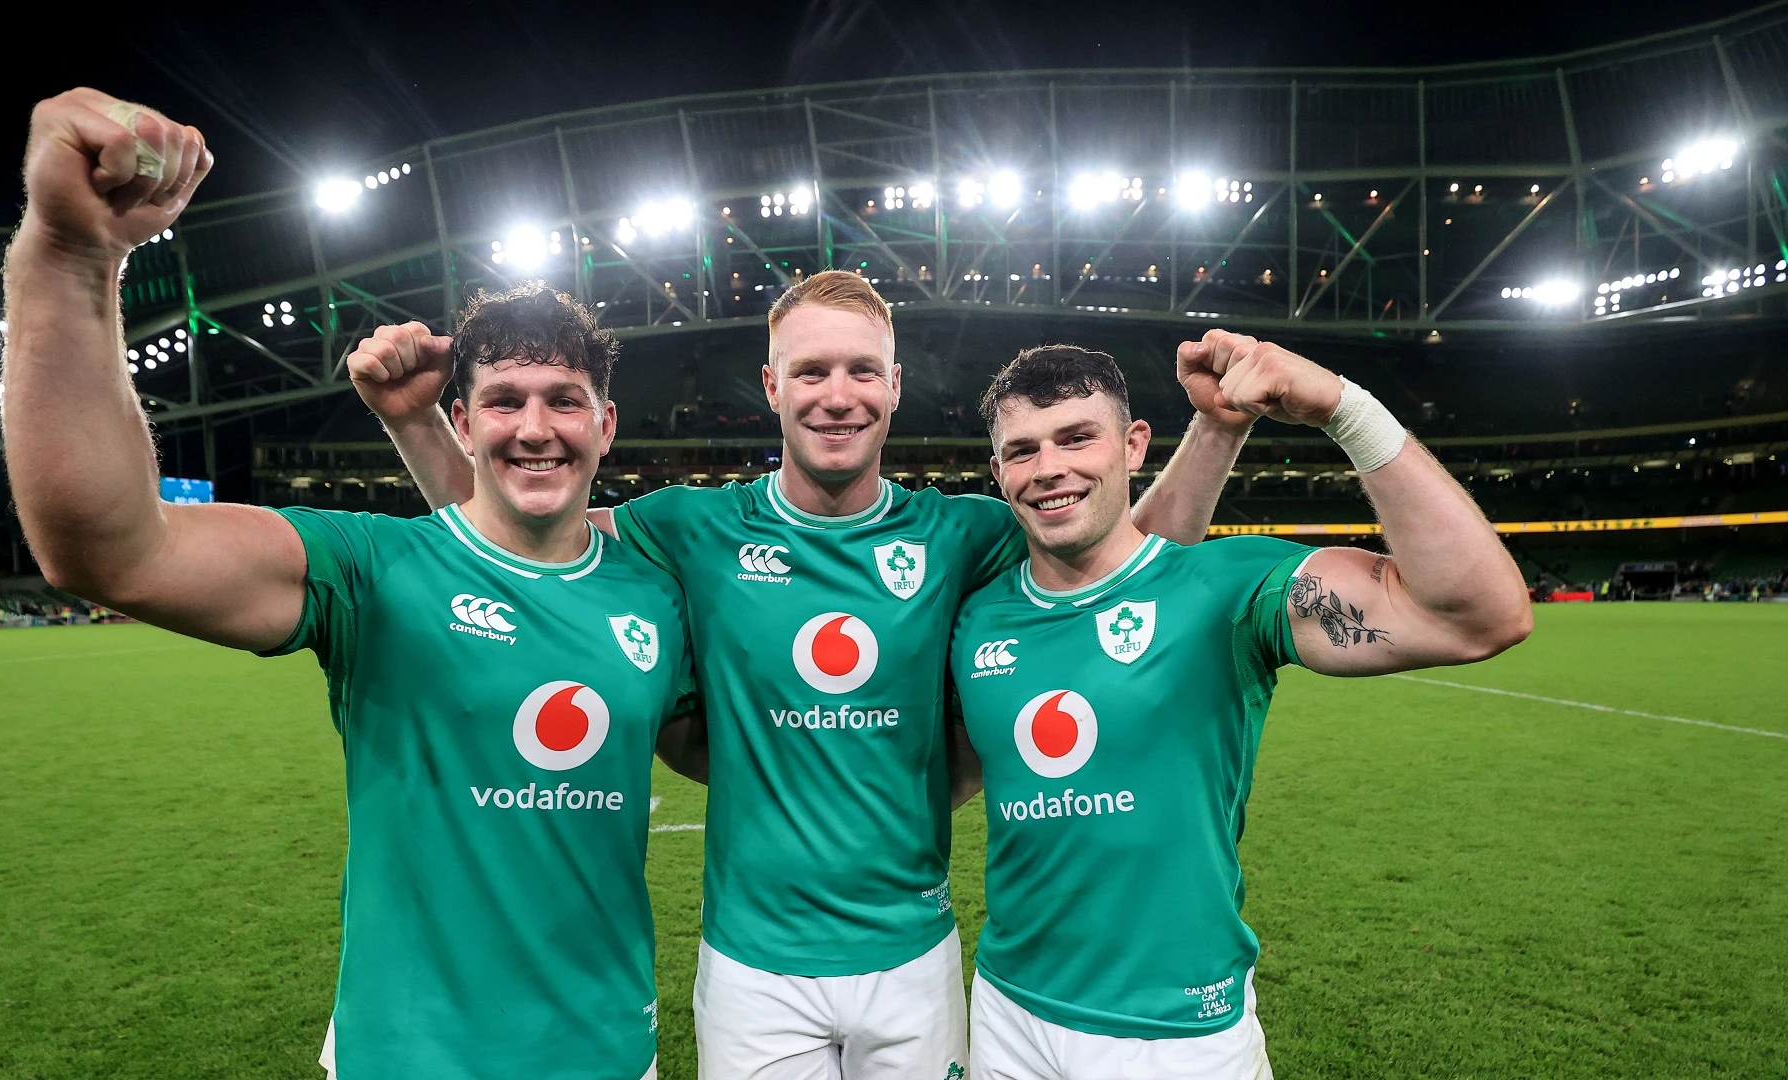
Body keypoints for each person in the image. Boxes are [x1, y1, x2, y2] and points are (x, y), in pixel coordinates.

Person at [360, 273, 1252, 1078]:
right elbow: (509, 542)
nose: (837, 396)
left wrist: (1217, 429)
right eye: (812, 371)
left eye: (863, 371)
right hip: (753, 966)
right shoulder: (689, 526)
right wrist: (415, 422)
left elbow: (1126, 561)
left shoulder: (963, 533)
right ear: (772, 386)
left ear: (894, 386)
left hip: (914, 958)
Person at [1, 88, 701, 1079]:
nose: (535, 425)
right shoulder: (374, 569)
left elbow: (732, 753)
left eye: (564, 400)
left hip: (608, 1054)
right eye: (502, 399)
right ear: (464, 424)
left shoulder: (654, 593)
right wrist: (74, 257)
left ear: (607, 426)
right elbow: (110, 549)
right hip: (401, 1056)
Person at [948, 339, 1533, 1080]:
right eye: (1022, 451)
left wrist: (1342, 410)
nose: (1050, 468)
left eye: (1076, 438)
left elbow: (1479, 618)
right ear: (998, 473)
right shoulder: (978, 619)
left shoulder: (1227, 589)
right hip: (1007, 1013)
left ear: (1133, 446)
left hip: (1180, 1037)